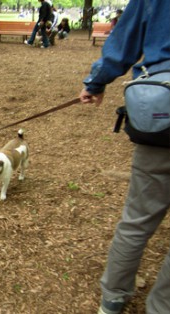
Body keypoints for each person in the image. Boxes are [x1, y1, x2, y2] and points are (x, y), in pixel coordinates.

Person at [79, 1, 170, 313]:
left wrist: (95, 83)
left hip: (161, 118)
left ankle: (113, 298)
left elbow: (123, 41)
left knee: (137, 220)